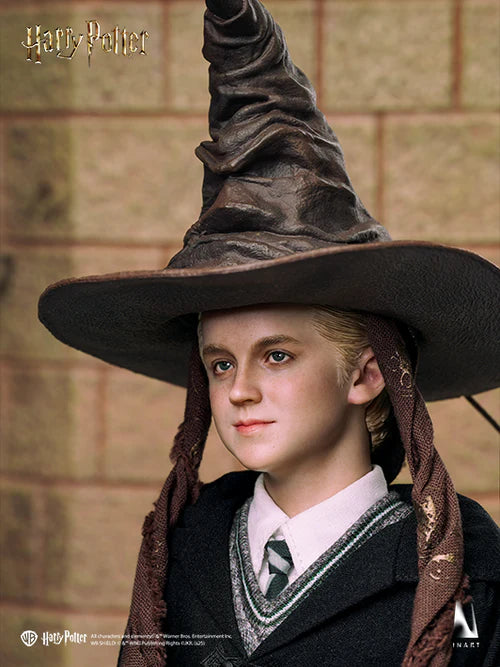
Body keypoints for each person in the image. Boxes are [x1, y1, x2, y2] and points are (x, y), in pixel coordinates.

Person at [38, 1, 500, 666]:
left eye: (277, 355)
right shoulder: (184, 546)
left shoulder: (459, 577)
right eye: (220, 363)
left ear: (367, 372)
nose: (240, 391)